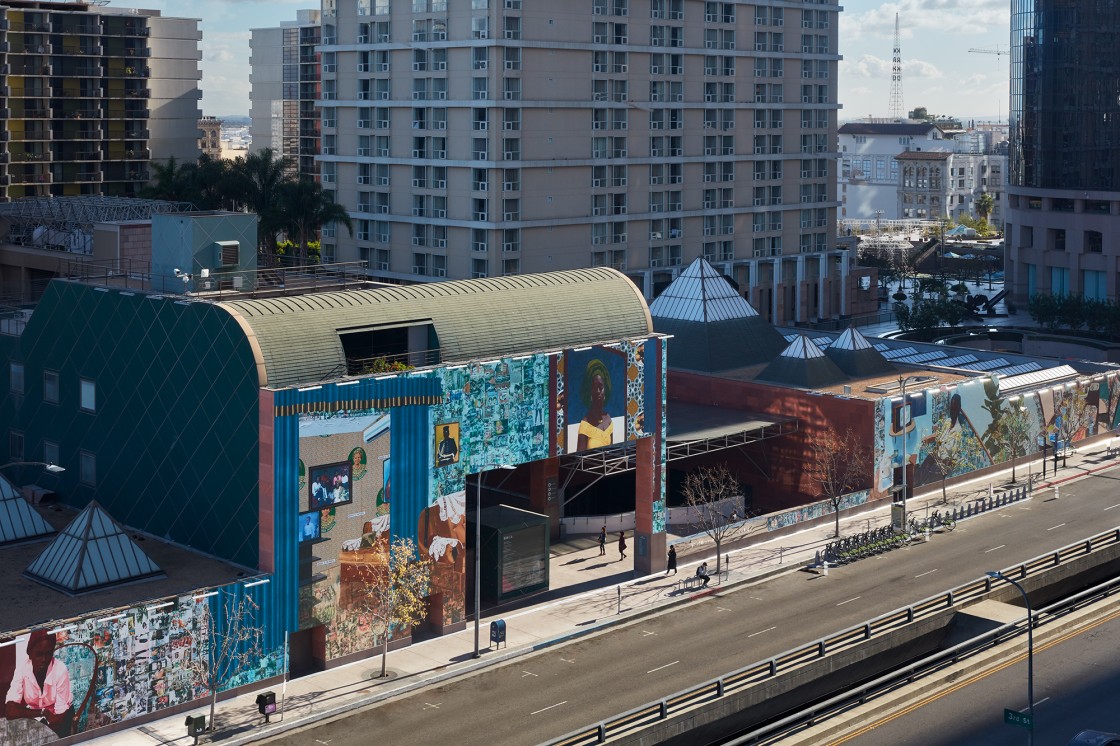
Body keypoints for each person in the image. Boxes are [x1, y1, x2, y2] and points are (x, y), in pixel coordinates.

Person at [5, 630, 73, 737]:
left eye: (48, 654)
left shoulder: (60, 670)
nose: (44, 660)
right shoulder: (22, 669)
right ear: (30, 654)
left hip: (61, 718)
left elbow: (59, 718)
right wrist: (42, 712)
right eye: (39, 654)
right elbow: (10, 710)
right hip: (37, 717)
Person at [576, 359, 615, 451]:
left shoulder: (609, 421)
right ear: (590, 392)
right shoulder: (585, 425)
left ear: (606, 390)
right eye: (594, 387)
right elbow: (579, 460)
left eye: (600, 387)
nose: (598, 391)